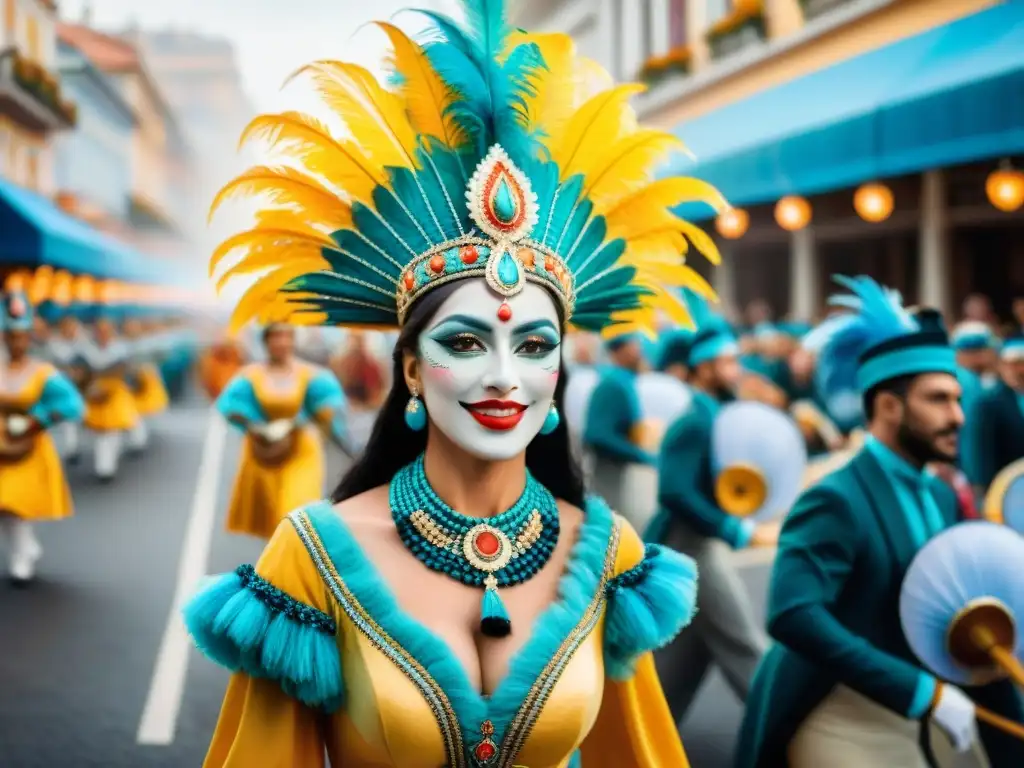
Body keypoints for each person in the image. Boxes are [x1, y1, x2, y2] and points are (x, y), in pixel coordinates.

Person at [182, 4, 726, 763]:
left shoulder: (607, 553)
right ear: (411, 367)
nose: (504, 376)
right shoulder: (312, 555)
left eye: (534, 345)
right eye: (466, 342)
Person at [737, 276, 1024, 768]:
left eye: (957, 399)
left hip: (926, 710)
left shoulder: (941, 494)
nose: (959, 416)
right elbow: (792, 613)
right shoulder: (835, 496)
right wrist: (917, 690)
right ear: (889, 406)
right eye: (938, 399)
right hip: (840, 711)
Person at [646, 317, 774, 724]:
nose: (736, 370)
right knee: (747, 648)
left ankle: (645, 737)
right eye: (728, 362)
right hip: (693, 548)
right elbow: (674, 491)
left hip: (697, 544)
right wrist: (732, 528)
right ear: (703, 367)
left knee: (681, 664)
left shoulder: (714, 414)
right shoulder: (696, 420)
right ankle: (788, 735)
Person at [216, 322, 349, 539]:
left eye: (287, 336)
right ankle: (280, 559)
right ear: (265, 341)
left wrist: (312, 421)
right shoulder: (250, 376)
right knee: (272, 521)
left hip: (300, 451)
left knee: (296, 515)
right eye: (276, 337)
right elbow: (231, 407)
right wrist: (259, 428)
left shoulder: (312, 375)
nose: (282, 342)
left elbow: (328, 409)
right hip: (264, 453)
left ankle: (297, 555)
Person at [0, 292, 84, 584]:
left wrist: (40, 420)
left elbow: (73, 404)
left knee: (14, 503)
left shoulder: (42, 372)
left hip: (27, 447)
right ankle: (25, 547)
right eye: (11, 337)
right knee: (4, 506)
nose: (16, 343)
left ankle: (22, 557)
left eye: (21, 337)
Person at [582, 335, 657, 527]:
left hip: (620, 474)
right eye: (634, 344)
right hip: (608, 475)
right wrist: (640, 455)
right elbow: (597, 434)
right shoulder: (613, 384)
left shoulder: (623, 381)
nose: (639, 350)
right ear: (619, 350)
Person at [81, 310, 140, 482]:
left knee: (113, 430)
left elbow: (124, 370)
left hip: (115, 392)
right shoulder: (88, 350)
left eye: (106, 330)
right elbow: (85, 372)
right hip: (95, 392)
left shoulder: (120, 348)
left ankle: (106, 467)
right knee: (101, 432)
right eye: (99, 330)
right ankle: (104, 467)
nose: (102, 334)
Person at [968, 332, 1024, 494]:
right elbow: (983, 451)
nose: (1018, 370)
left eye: (1021, 363)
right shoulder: (989, 403)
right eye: (1012, 364)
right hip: (1007, 488)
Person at [121, 316, 170, 454]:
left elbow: (162, 356)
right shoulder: (121, 345)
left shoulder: (149, 343)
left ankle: (138, 440)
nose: (131, 330)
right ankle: (137, 440)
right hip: (128, 382)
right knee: (133, 412)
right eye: (129, 327)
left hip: (144, 382)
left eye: (133, 327)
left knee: (140, 412)